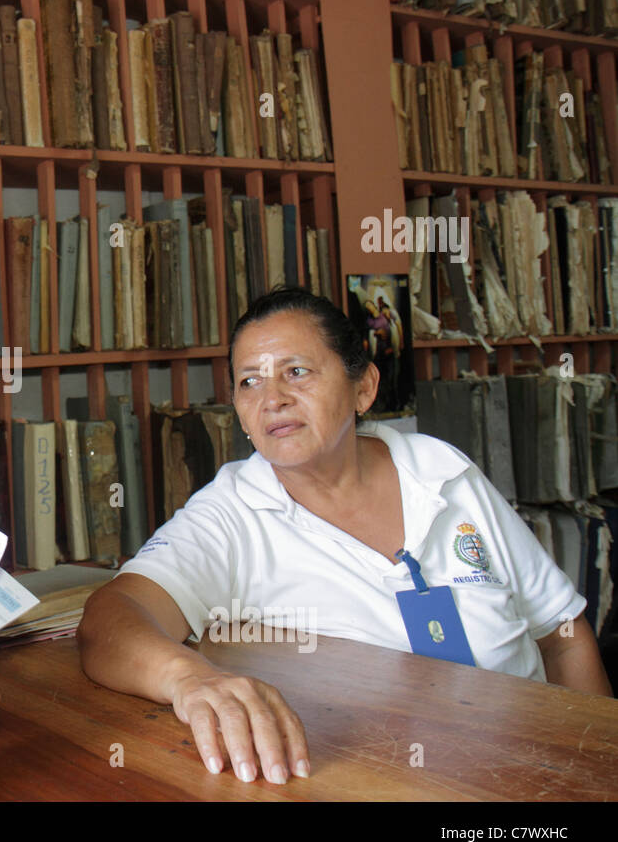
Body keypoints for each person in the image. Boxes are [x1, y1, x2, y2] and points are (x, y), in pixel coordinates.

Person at [77, 286, 612, 787]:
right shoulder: (232, 513)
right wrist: (190, 679)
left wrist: (601, 765)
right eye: (250, 381)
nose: (273, 398)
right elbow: (110, 620)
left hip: (533, 775)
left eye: (297, 371)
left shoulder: (442, 472)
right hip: (387, 784)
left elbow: (561, 635)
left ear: (364, 388)